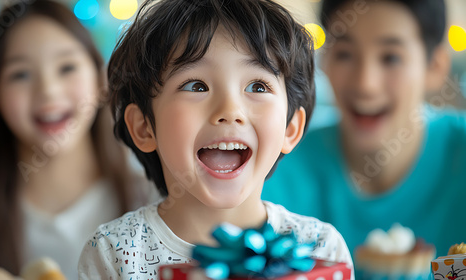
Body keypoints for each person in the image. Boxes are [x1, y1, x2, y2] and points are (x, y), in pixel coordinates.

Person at [78, 0, 354, 279]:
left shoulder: (320, 252)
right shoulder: (113, 253)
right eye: (196, 86)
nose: (229, 111)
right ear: (144, 128)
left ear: (290, 129)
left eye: (257, 86)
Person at [263, 0, 465, 266]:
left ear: (435, 67)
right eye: (345, 54)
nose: (365, 84)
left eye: (390, 57)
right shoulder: (275, 167)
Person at [0, 0, 155, 279]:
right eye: (20, 74)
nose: (49, 91)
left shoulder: (152, 193)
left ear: (100, 78)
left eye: (67, 68)